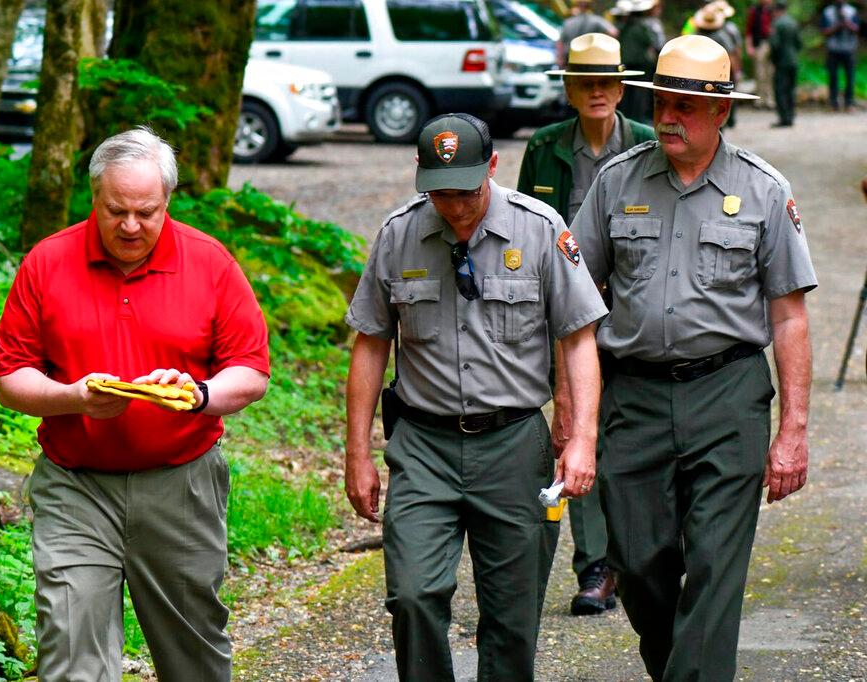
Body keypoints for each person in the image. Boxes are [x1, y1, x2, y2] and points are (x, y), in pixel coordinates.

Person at [568, 35, 817, 680]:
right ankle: (680, 667)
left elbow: (789, 315)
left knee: (714, 562)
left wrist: (793, 431)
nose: (668, 117)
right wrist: (573, 411)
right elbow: (574, 302)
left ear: (720, 112)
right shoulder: (614, 183)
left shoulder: (763, 191)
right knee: (639, 559)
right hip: (635, 396)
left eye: (684, 105)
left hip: (728, 395)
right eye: (661, 103)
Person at [0, 127, 270, 680]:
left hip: (181, 483)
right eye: (116, 210)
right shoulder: (48, 262)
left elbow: (252, 371)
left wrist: (199, 395)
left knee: (191, 652)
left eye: (147, 212)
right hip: (76, 484)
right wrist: (72, 397)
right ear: (94, 196)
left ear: (167, 201)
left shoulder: (210, 262)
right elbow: (11, 377)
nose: (130, 226)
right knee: (71, 650)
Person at [344, 113, 607, 680]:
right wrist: (358, 453)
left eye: (467, 190)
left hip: (514, 444)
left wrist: (582, 437)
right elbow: (369, 344)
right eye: (440, 192)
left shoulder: (539, 229)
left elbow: (580, 336)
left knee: (512, 619)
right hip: (422, 447)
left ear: (492, 167)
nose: (456, 206)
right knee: (412, 596)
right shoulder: (399, 233)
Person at [517, 33, 656, 617]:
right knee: (576, 430)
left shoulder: (647, 143)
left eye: (606, 81)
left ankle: (642, 556)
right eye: (585, 82)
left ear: (621, 87)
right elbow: (521, 231)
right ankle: (595, 566)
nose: (597, 92)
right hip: (564, 317)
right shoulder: (546, 147)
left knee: (634, 437)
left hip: (632, 314)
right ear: (569, 89)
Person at [618, 0, 660, 123]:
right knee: (640, 94)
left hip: (626, 63)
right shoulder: (643, 26)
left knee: (626, 93)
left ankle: (625, 118)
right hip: (641, 65)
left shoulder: (623, 26)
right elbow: (650, 41)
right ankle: (638, 119)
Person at [820, 0, 860, 110]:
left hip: (849, 49)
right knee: (833, 77)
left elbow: (857, 29)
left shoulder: (852, 11)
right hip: (833, 49)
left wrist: (846, 22)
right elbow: (823, 31)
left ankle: (849, 103)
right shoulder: (827, 12)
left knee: (850, 77)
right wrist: (837, 26)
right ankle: (833, 103)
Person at [769, 0, 803, 127]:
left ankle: (784, 118)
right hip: (793, 61)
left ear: (776, 10)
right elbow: (799, 43)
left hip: (782, 62)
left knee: (780, 90)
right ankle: (791, 116)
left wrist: (773, 60)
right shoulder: (793, 23)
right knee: (791, 89)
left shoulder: (776, 24)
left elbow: (774, 45)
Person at [558, 0, 619, 68]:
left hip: (571, 59)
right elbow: (613, 32)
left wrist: (560, 59)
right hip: (590, 60)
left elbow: (560, 42)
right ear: (590, 6)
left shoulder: (568, 22)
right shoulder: (596, 20)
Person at [746, 0, 777, 108]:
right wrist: (749, 46)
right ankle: (760, 100)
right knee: (760, 73)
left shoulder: (774, 10)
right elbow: (749, 30)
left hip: (772, 44)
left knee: (771, 73)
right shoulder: (755, 11)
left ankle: (770, 100)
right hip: (759, 44)